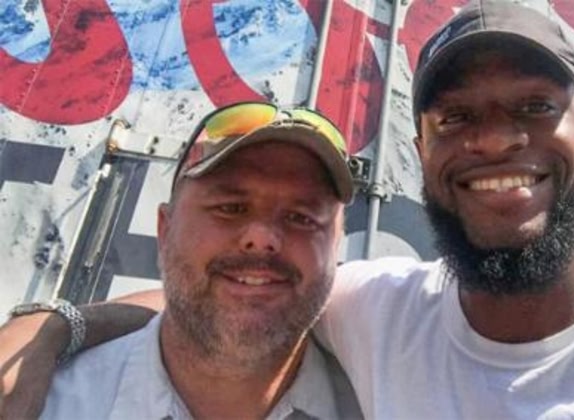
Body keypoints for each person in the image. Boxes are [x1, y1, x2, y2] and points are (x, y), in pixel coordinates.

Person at [3, 1, 574, 418]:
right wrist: (49, 328)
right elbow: (227, 291)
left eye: (535, 108)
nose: (496, 140)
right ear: (424, 156)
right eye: (456, 118)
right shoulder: (380, 314)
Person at [3, 103, 362, 419]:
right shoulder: (44, 405)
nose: (263, 237)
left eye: (301, 217)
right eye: (231, 208)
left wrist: (55, 324)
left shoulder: (380, 401)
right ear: (165, 229)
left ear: (336, 249)